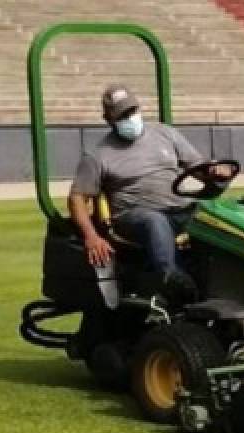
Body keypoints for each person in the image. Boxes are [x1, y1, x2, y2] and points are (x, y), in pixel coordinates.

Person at [68, 84, 205, 287]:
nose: (130, 118)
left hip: (180, 208)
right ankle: (171, 280)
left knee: (216, 217)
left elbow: (198, 167)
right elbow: (77, 197)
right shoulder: (98, 154)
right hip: (133, 216)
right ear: (109, 120)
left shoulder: (165, 134)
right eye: (122, 115)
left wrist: (214, 172)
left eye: (132, 111)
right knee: (154, 220)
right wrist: (92, 237)